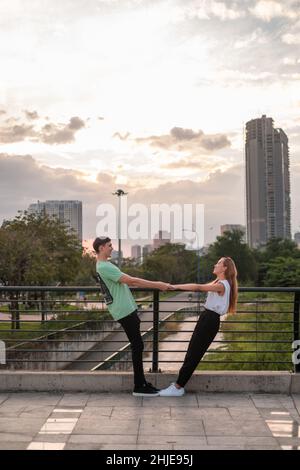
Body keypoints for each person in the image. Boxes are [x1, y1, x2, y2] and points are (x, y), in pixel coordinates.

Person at [93, 236, 171, 397]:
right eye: (109, 245)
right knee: (137, 346)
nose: (112, 248)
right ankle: (139, 386)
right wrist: (158, 284)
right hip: (124, 310)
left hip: (126, 309)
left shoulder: (105, 265)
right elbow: (132, 281)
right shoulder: (104, 266)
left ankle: (141, 383)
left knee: (138, 346)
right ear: (101, 248)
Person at [159, 257, 238, 397]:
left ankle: (178, 387)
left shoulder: (222, 285)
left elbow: (198, 287)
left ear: (225, 268)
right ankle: (179, 385)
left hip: (210, 320)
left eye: (218, 263)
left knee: (194, 354)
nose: (215, 264)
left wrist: (174, 287)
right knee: (192, 351)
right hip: (207, 318)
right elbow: (200, 286)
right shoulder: (218, 282)